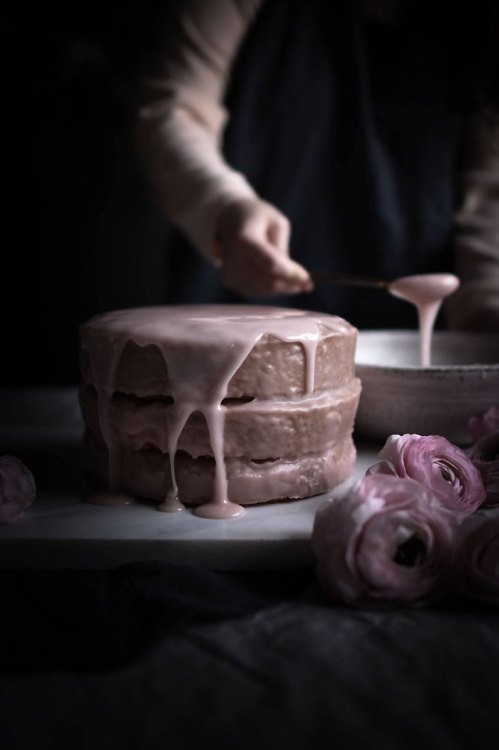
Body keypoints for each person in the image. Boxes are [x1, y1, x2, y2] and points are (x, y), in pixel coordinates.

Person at [135, 0, 499, 331]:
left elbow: (488, 209)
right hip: (236, 310)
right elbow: (174, 110)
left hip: (408, 322)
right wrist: (224, 205)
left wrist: (487, 316)